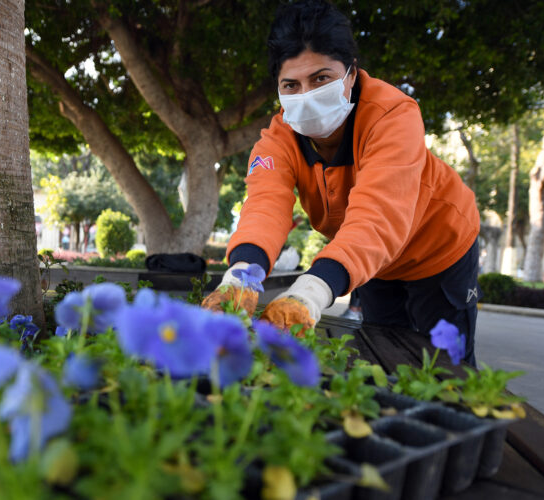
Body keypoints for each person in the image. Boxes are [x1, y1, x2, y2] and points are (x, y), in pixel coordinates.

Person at [202, 0, 481, 365]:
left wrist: (313, 290)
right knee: (386, 356)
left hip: (439, 249)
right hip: (372, 263)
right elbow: (265, 205)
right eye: (291, 84)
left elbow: (377, 215)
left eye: (321, 78)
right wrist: (241, 276)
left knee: (448, 368)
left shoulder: (393, 117)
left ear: (350, 75)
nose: (307, 95)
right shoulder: (277, 140)